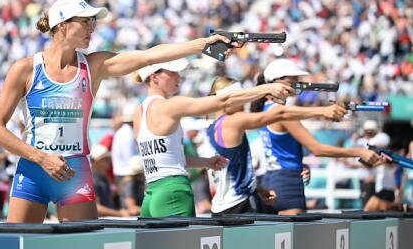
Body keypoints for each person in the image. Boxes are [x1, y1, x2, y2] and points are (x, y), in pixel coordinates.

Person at [0, 0, 234, 223]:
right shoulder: (26, 68)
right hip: (34, 169)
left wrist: (203, 44)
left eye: (93, 22)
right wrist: (42, 158)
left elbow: (148, 57)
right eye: (85, 22)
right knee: (20, 243)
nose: (92, 28)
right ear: (62, 25)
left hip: (75, 170)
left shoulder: (94, 65)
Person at [132, 59, 295, 217]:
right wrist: (266, 89)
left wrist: (206, 162)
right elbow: (223, 101)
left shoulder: (139, 112)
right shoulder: (169, 105)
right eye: (173, 72)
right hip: (173, 191)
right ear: (154, 77)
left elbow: (166, 158)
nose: (178, 77)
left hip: (152, 193)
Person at [252, 59, 383, 215]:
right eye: (292, 80)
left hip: (272, 180)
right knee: (295, 238)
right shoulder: (282, 112)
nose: (297, 83)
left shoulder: (265, 109)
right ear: (276, 82)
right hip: (287, 184)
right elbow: (317, 149)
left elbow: (280, 150)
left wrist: (298, 164)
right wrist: (360, 152)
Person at [206, 76, 347, 216]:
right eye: (240, 97)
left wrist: (257, 188)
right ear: (228, 99)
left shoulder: (212, 127)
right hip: (239, 206)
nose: (244, 103)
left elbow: (232, 171)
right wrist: (322, 111)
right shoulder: (232, 121)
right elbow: (280, 113)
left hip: (221, 207)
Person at [90, 144, 128, 217]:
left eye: (109, 158)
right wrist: (119, 213)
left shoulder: (102, 177)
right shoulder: (93, 180)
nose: (109, 161)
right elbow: (95, 207)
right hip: (100, 224)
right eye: (105, 159)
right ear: (95, 161)